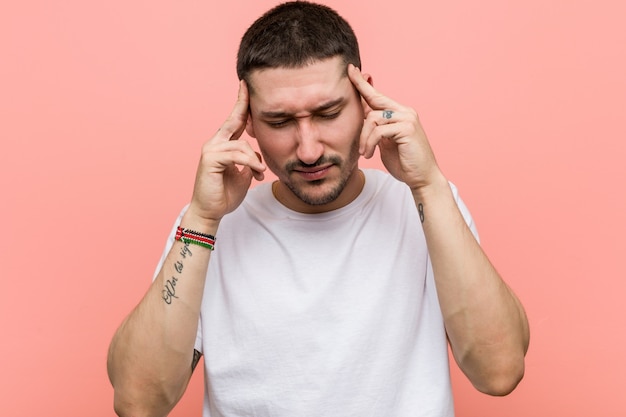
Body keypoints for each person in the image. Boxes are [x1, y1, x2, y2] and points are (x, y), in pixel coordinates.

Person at [107, 2, 530, 416]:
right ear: (248, 120)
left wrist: (429, 184)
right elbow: (138, 403)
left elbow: (500, 372)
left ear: (364, 98)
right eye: (279, 122)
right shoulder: (208, 225)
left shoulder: (425, 203)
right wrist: (200, 220)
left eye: (328, 113)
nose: (308, 151)